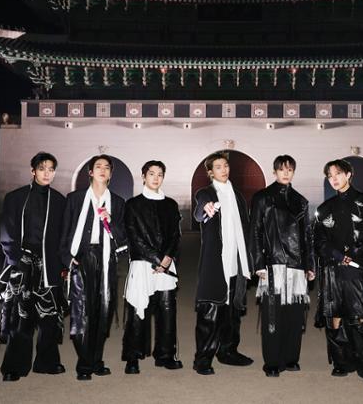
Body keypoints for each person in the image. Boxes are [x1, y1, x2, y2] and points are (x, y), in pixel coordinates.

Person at [0, 152, 66, 381]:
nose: (47, 173)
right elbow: (7, 232)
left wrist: (63, 264)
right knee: (21, 316)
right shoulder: (16, 198)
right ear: (33, 171)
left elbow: (62, 236)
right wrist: (15, 261)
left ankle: (47, 362)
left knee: (49, 317)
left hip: (50, 265)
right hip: (23, 263)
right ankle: (14, 367)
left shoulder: (59, 200)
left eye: (51, 169)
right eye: (42, 168)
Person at [314, 159, 363, 384]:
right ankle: (341, 362)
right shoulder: (325, 208)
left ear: (349, 175)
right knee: (334, 316)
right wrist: (336, 255)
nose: (333, 179)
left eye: (338, 174)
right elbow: (319, 240)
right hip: (332, 269)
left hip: (356, 268)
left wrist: (357, 258)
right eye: (329, 176)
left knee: (360, 314)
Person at [61, 154, 127, 381]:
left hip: (106, 258)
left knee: (103, 311)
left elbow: (122, 237)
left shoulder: (117, 202)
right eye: (98, 166)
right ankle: (84, 363)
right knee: (81, 312)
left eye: (107, 167)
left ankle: (96, 360)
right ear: (90, 172)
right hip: (81, 257)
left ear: (110, 174)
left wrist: (111, 221)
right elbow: (65, 231)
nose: (102, 170)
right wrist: (67, 258)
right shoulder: (75, 199)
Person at [249, 155, 314, 377]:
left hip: (297, 265)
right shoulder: (262, 198)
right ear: (274, 171)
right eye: (282, 169)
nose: (286, 173)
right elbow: (255, 231)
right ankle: (272, 362)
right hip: (273, 263)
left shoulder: (301, 201)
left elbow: (307, 236)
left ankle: (290, 358)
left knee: (294, 315)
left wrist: (310, 265)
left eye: (290, 170)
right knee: (273, 315)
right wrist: (258, 263)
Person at [192, 152, 253, 375]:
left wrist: (250, 259)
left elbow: (245, 227)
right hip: (216, 262)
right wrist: (205, 209)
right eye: (218, 167)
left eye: (226, 165)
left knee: (232, 311)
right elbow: (200, 211)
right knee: (210, 311)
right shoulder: (206, 193)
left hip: (237, 260)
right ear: (210, 172)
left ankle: (228, 351)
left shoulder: (237, 196)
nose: (224, 170)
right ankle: (202, 359)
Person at [121, 160, 183, 374]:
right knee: (138, 311)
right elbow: (133, 236)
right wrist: (157, 258)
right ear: (143, 177)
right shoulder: (133, 204)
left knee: (167, 311)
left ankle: (165, 355)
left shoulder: (171, 204)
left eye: (160, 174)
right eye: (151, 174)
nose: (156, 178)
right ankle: (133, 357)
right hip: (142, 263)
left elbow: (175, 235)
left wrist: (167, 258)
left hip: (166, 265)